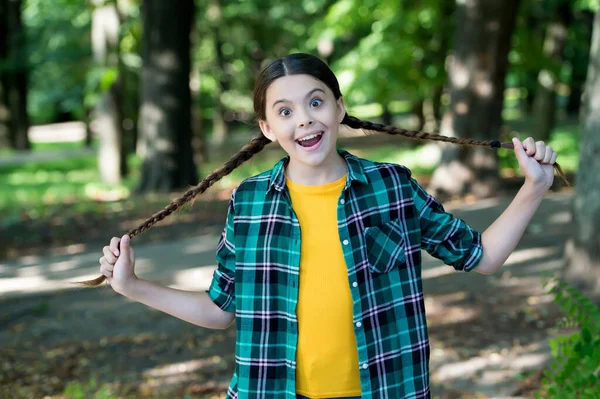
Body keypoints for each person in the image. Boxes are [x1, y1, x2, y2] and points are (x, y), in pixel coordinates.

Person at [91, 53, 560, 399]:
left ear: (338, 108)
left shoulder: (391, 188)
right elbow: (220, 309)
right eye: (285, 111)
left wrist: (533, 187)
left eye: (316, 102)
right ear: (267, 128)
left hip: (386, 388)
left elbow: (483, 256)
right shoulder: (250, 203)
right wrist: (134, 287)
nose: (305, 120)